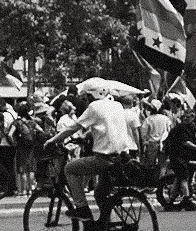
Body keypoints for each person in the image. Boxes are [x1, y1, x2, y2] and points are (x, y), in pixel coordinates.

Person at [47, 90, 137, 222]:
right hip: (121, 157)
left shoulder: (94, 107)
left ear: (91, 96)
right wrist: (87, 136)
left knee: (69, 169)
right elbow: (106, 127)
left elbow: (73, 128)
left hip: (103, 159)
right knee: (100, 194)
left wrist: (52, 140)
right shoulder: (117, 105)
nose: (85, 101)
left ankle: (82, 209)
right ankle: (103, 223)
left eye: (86, 98)